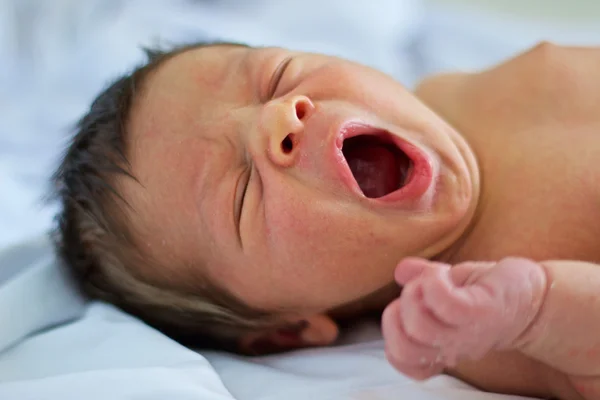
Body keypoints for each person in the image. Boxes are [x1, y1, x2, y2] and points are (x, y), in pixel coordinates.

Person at [52, 41, 600, 400]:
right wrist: (537, 309)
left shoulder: (449, 92)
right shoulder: (479, 320)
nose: (277, 118)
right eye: (241, 194)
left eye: (277, 77)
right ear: (290, 329)